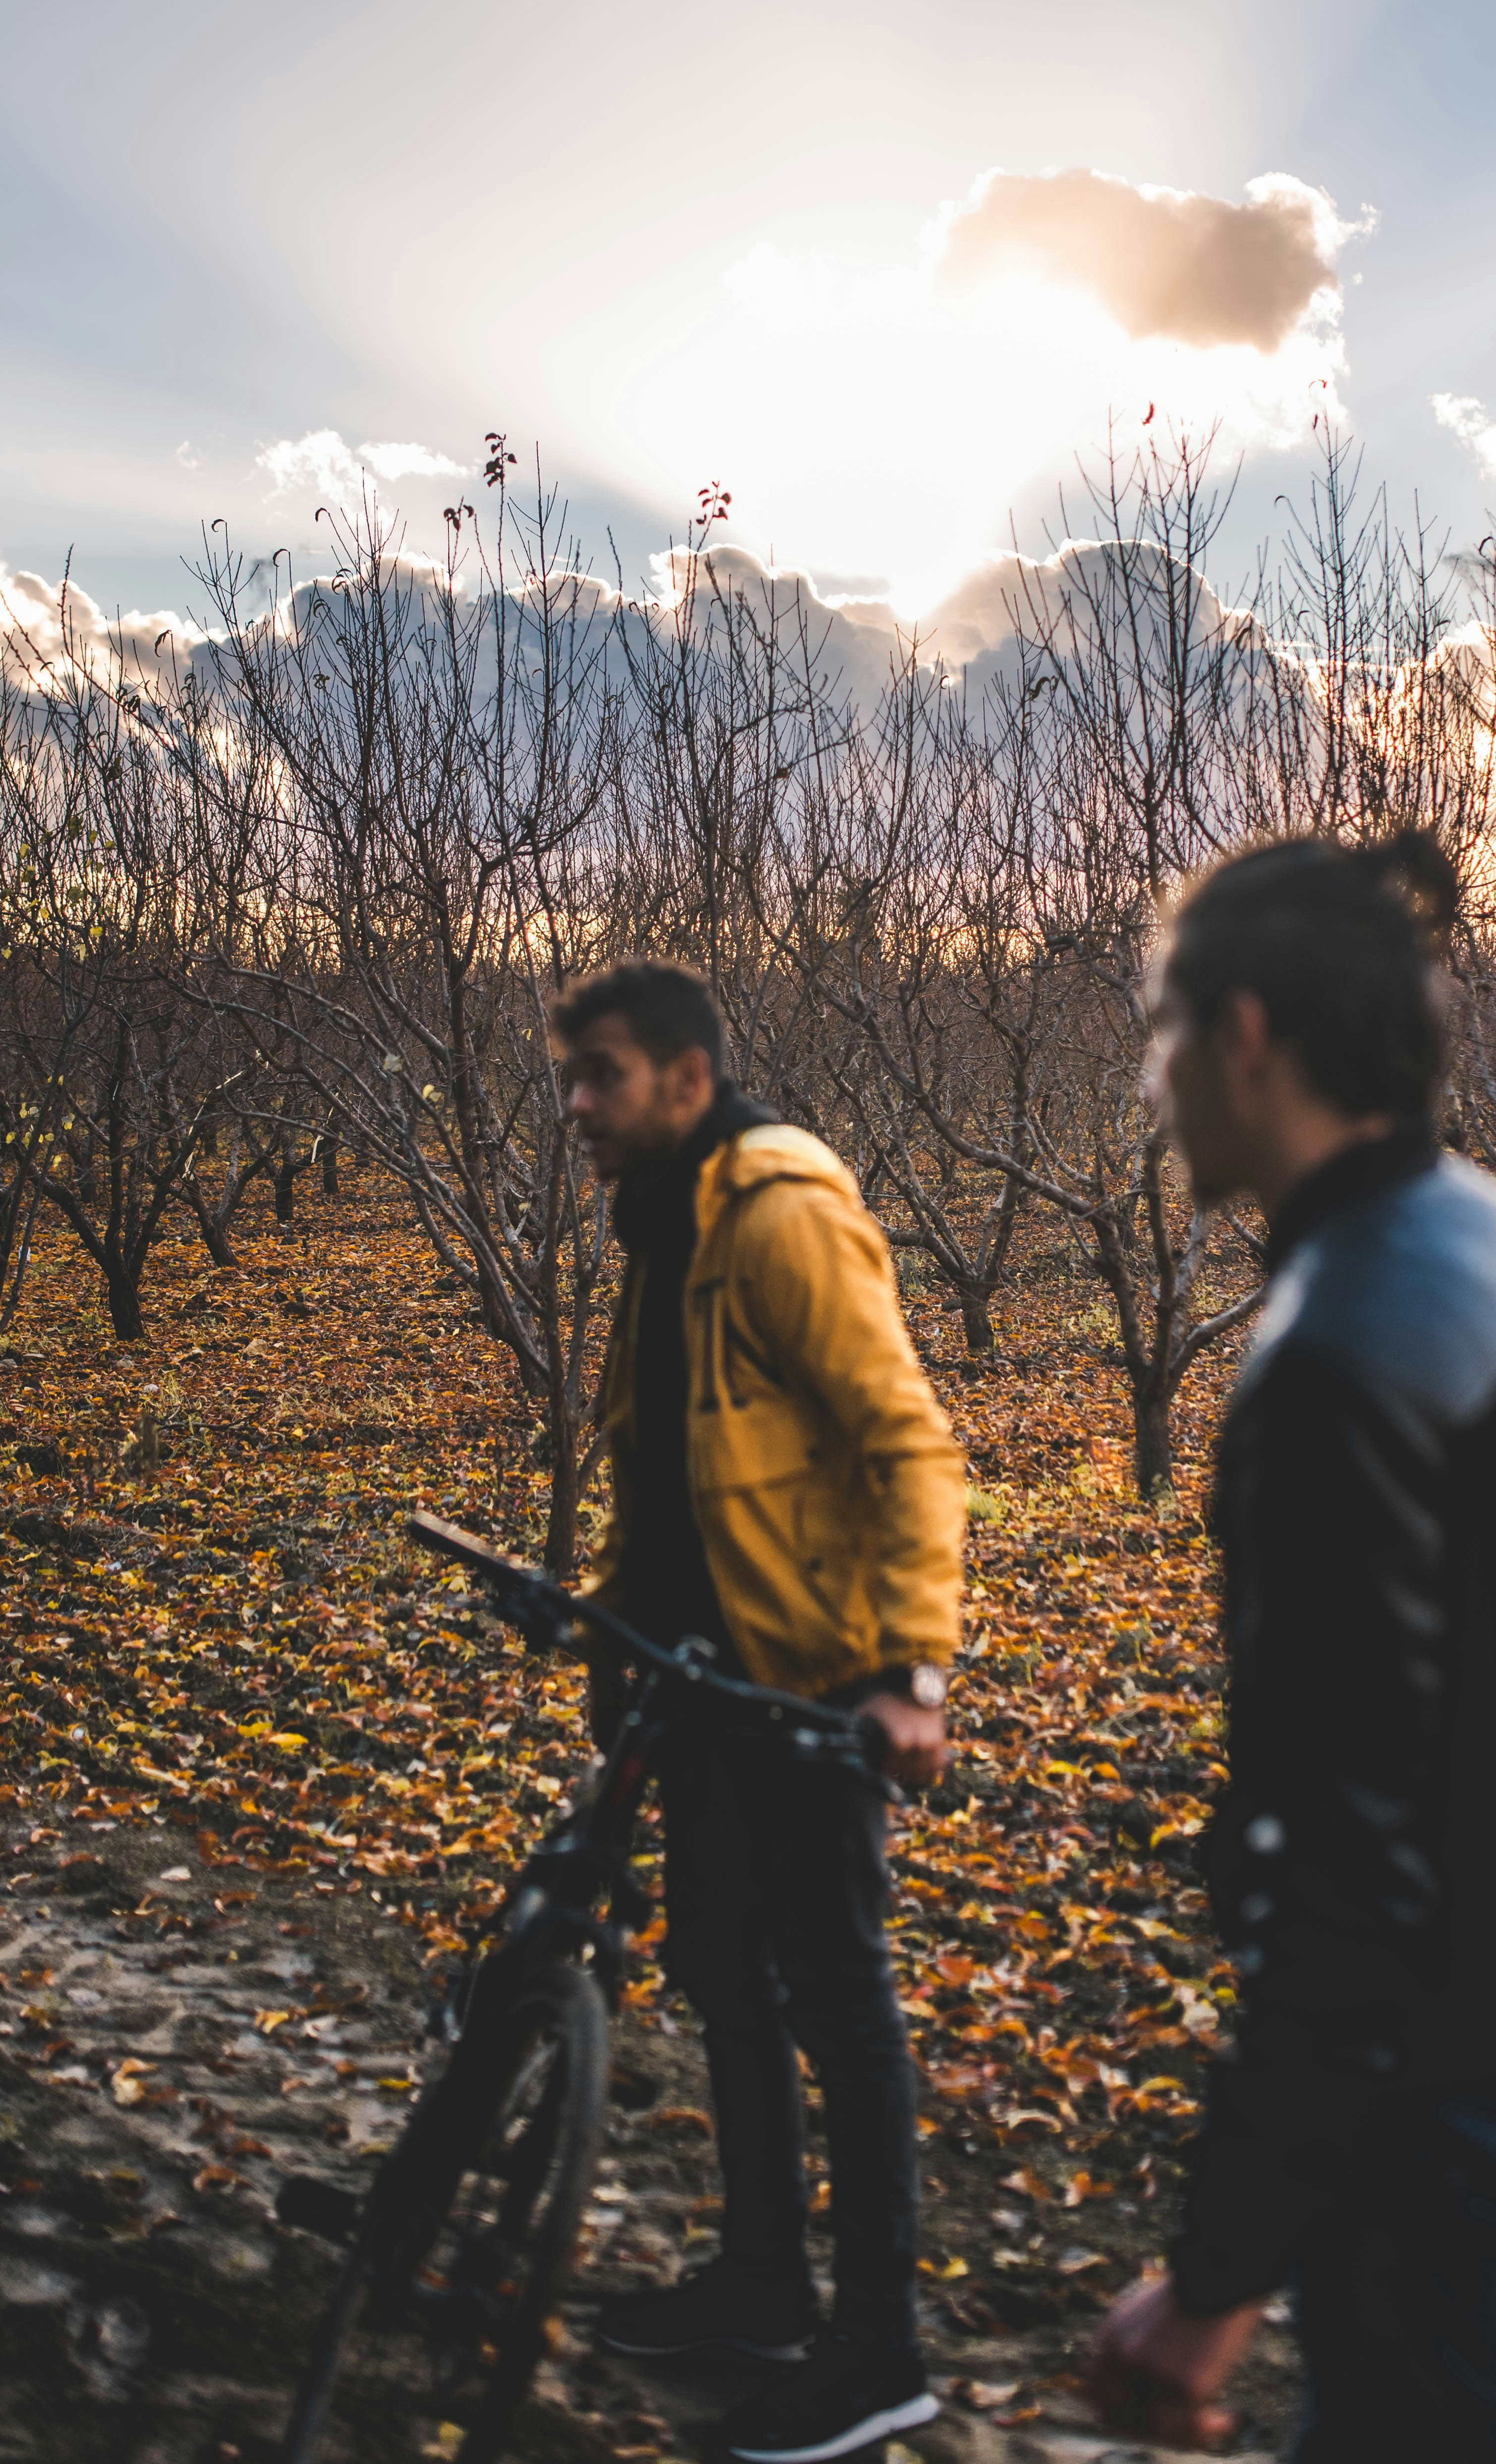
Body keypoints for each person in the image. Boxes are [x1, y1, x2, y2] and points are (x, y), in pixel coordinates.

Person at [1087, 835, 1496, 2464]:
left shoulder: (1341, 1347)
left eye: (1159, 1028)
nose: (1152, 1078)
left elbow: (1350, 1850)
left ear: (1246, 1034)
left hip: (1445, 2068)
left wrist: (1217, 2271)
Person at [552, 960, 966, 2464]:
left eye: (601, 1073)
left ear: (684, 1070)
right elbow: (669, 1458)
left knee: (839, 1999)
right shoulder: (663, 1227)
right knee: (728, 1976)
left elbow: (911, 1444)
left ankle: (881, 2351)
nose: (578, 1107)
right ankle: (763, 2287)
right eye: (569, 1078)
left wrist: (910, 1673)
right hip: (699, 1677)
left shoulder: (780, 1209)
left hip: (809, 1686)